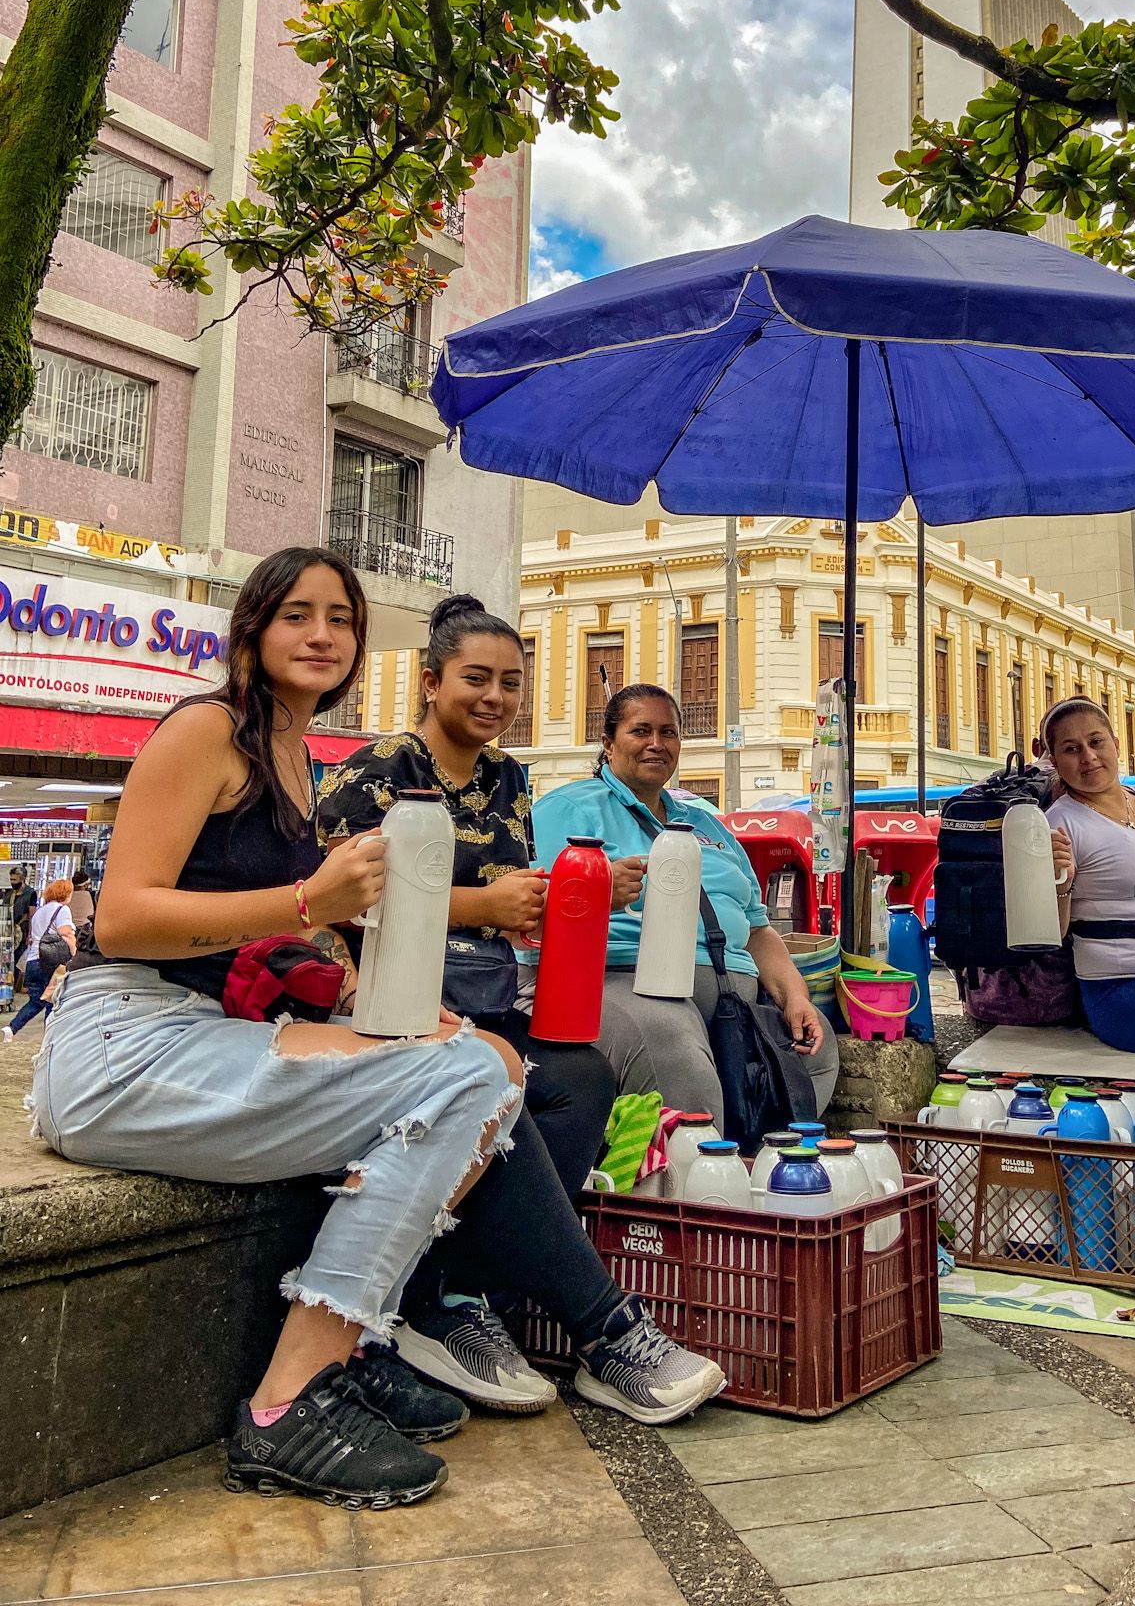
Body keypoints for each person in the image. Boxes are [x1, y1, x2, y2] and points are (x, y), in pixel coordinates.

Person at [30, 548, 723, 1506]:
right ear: (253, 629)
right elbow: (121, 922)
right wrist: (310, 897)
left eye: (341, 621)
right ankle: (293, 1399)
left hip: (195, 1030)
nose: (321, 636)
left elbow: (270, 943)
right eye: (297, 616)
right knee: (473, 1075)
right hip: (122, 1047)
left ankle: (383, 1334)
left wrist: (359, 995)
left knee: (482, 1063)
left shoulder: (291, 753)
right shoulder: (206, 730)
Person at [317, 594, 616, 1201]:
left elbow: (509, 890)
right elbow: (337, 900)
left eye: (511, 684)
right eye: (475, 679)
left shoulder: (510, 776)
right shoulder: (379, 769)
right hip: (389, 1002)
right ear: (431, 682)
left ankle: (493, 1268)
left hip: (489, 993)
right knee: (502, 1090)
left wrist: (557, 897)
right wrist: (484, 906)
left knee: (584, 1078)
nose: (494, 698)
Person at [531, 684, 837, 1126]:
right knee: (671, 1041)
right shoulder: (569, 809)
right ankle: (706, 1182)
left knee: (816, 1044)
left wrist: (795, 997)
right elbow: (533, 906)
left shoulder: (705, 824)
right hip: (619, 981)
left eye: (668, 733)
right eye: (641, 731)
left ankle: (762, 1165)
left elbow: (757, 930)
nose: (656, 744)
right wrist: (598, 891)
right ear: (608, 742)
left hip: (731, 998)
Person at [1042, 699, 1135, 1052]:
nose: (1088, 756)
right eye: (1071, 749)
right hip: (1122, 988)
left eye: (1096, 742)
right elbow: (1049, 933)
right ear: (1055, 762)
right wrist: (1062, 883)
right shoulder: (1060, 824)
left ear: (1116, 744)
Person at [5, 879, 75, 1039]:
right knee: (52, 1000)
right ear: (66, 893)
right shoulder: (62, 910)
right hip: (50, 963)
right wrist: (74, 952)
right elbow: (66, 934)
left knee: (35, 1001)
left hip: (33, 961)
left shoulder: (39, 912)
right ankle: (49, 1040)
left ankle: (11, 1028)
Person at [67, 868, 96, 942]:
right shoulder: (91, 896)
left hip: (68, 929)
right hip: (85, 932)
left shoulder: (67, 896)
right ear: (86, 885)